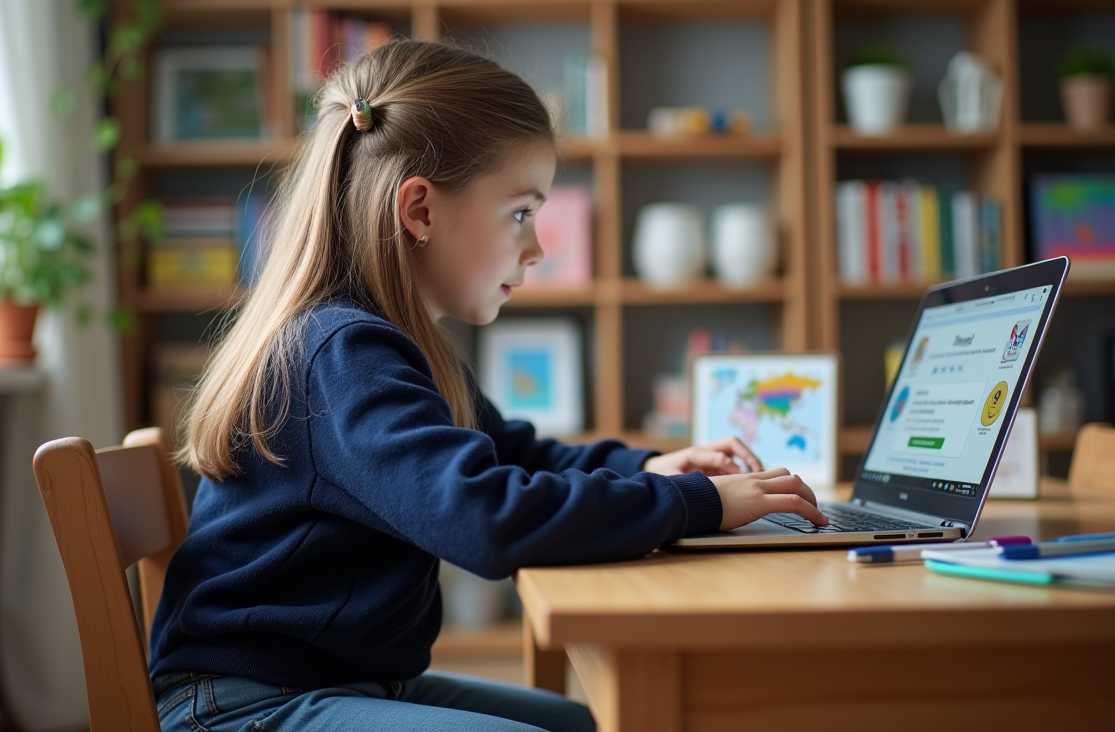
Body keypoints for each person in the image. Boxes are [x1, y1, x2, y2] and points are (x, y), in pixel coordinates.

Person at [151, 40, 829, 732]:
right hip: (242, 704)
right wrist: (694, 504)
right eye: (522, 213)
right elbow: (484, 519)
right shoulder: (343, 354)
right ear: (419, 211)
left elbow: (513, 455)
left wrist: (648, 467)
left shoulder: (393, 345)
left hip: (343, 681)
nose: (537, 247)